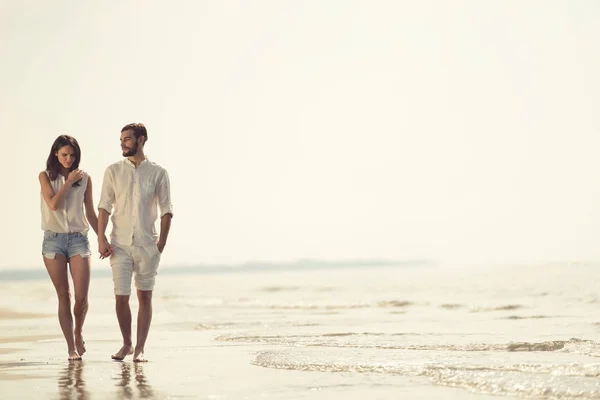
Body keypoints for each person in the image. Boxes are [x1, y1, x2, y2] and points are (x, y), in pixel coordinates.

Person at [97, 123, 173, 362]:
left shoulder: (158, 172)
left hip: (147, 245)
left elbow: (166, 209)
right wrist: (101, 238)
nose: (122, 143)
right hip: (118, 244)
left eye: (127, 139)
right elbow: (104, 207)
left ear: (141, 140)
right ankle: (127, 344)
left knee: (145, 297)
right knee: (120, 297)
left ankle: (140, 349)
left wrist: (160, 244)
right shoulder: (112, 171)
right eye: (121, 140)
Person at [39, 135, 99, 361]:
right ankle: (71, 347)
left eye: (72, 155)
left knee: (81, 297)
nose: (68, 159)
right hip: (53, 240)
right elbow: (53, 204)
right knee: (64, 295)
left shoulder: (85, 179)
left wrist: (102, 238)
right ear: (55, 153)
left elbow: (91, 213)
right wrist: (67, 182)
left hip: (78, 239)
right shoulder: (45, 176)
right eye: (64, 154)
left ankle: (78, 331)